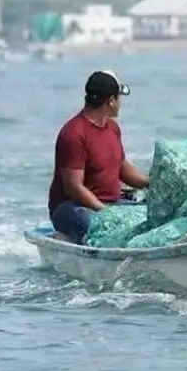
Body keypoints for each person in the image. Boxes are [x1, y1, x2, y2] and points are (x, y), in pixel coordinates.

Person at [47, 70, 150, 242]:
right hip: (74, 207)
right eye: (119, 97)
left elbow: (122, 168)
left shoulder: (112, 128)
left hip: (112, 203)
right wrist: (104, 212)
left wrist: (151, 182)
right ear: (111, 101)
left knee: (151, 220)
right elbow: (74, 187)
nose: (121, 102)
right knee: (107, 230)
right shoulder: (74, 134)